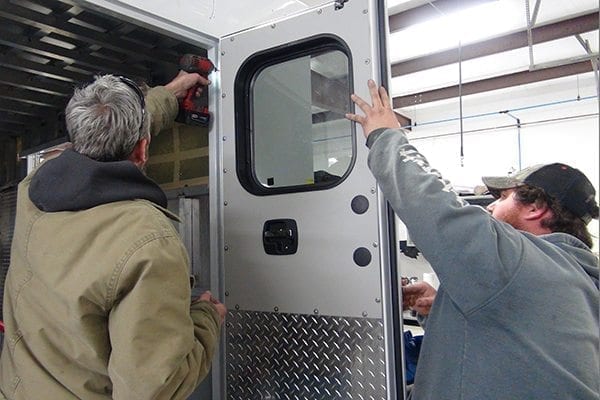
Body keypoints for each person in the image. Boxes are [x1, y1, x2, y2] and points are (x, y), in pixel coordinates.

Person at [346, 80, 599, 399]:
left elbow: (433, 205)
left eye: (504, 196)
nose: (492, 205)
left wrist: (385, 137)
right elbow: (515, 343)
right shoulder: (580, 279)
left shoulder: (518, 259)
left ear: (535, 207)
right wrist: (445, 305)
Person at [0, 72, 227, 400]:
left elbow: (104, 126)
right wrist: (207, 319)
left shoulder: (32, 189)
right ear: (143, 150)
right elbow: (152, 388)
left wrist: (168, 95)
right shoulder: (149, 243)